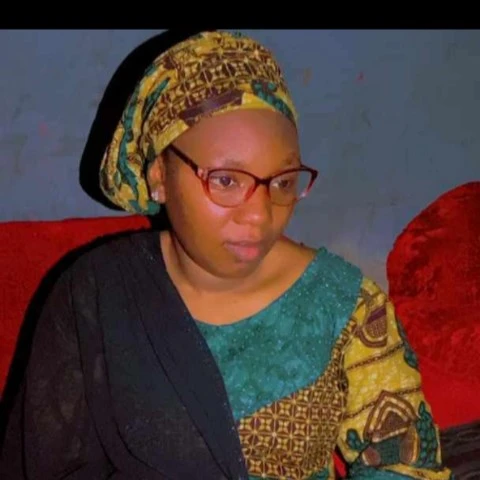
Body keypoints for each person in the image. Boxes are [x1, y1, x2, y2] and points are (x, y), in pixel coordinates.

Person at [0, 30, 453, 479]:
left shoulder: (345, 304)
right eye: (226, 180)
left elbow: (407, 463)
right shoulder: (97, 296)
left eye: (282, 182)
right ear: (159, 176)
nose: (259, 215)